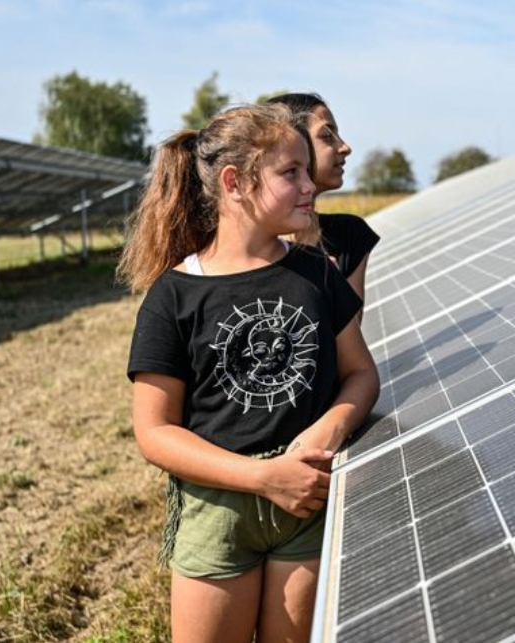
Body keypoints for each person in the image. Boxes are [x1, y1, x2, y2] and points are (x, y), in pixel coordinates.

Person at [117, 103, 378, 643]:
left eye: (308, 169)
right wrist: (263, 477)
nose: (310, 185)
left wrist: (323, 432)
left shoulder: (316, 274)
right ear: (235, 183)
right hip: (218, 510)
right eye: (291, 173)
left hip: (307, 501)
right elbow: (154, 432)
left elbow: (361, 374)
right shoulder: (174, 296)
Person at [266, 93, 380, 305]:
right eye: (327, 136)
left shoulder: (348, 235)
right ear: (292, 142)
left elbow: (347, 335)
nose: (345, 147)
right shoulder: (248, 247)